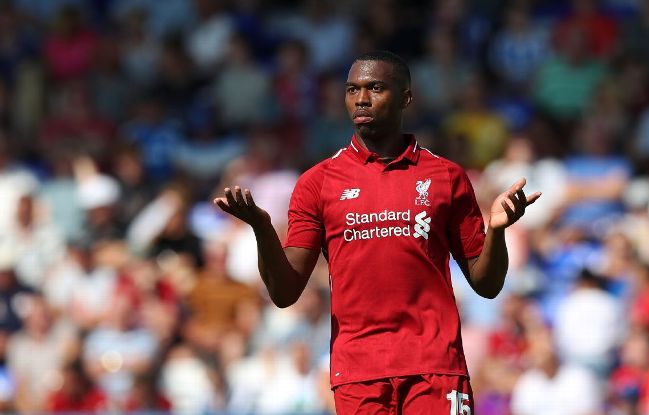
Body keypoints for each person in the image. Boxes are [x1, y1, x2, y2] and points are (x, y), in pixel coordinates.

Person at [214, 50, 541, 413]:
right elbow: (284, 292)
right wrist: (262, 228)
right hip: (359, 371)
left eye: (376, 88)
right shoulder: (317, 183)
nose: (362, 99)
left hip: (435, 365)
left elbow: (487, 284)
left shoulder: (446, 177)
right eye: (352, 89)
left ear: (406, 98)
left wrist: (496, 231)